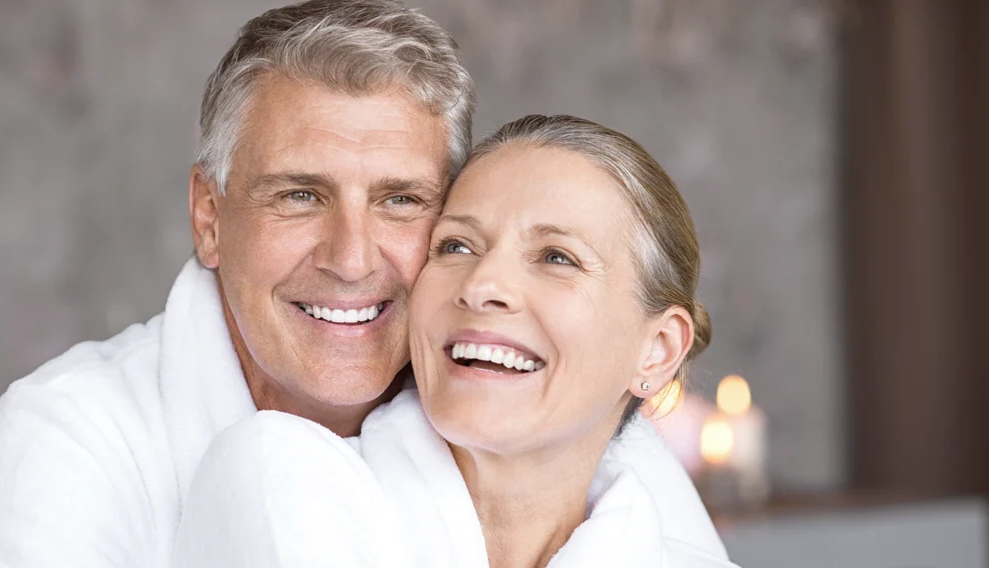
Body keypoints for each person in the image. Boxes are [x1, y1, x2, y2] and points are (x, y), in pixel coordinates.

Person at [0, 2, 726, 566]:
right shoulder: (72, 436)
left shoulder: (563, 437)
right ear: (209, 217)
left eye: (402, 201)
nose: (352, 257)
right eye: (299, 195)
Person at [172, 115, 738, 567]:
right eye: (456, 246)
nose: (484, 284)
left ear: (659, 349)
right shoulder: (278, 479)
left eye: (556, 257)